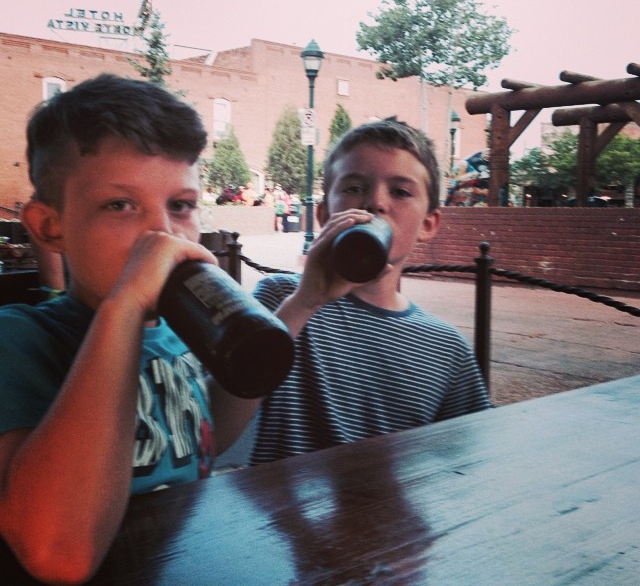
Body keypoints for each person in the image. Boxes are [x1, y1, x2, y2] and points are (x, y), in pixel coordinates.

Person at [0, 74, 255, 584]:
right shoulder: (20, 340)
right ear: (51, 226)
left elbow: (205, 438)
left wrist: (303, 302)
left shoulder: (176, 331)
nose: (162, 232)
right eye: (119, 205)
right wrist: (125, 307)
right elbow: (58, 554)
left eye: (180, 205)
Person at [250, 118, 492, 465]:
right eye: (353, 187)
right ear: (324, 214)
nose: (375, 203)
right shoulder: (281, 300)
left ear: (428, 224)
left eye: (401, 192)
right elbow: (214, 429)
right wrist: (304, 303)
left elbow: (474, 461)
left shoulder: (446, 349)